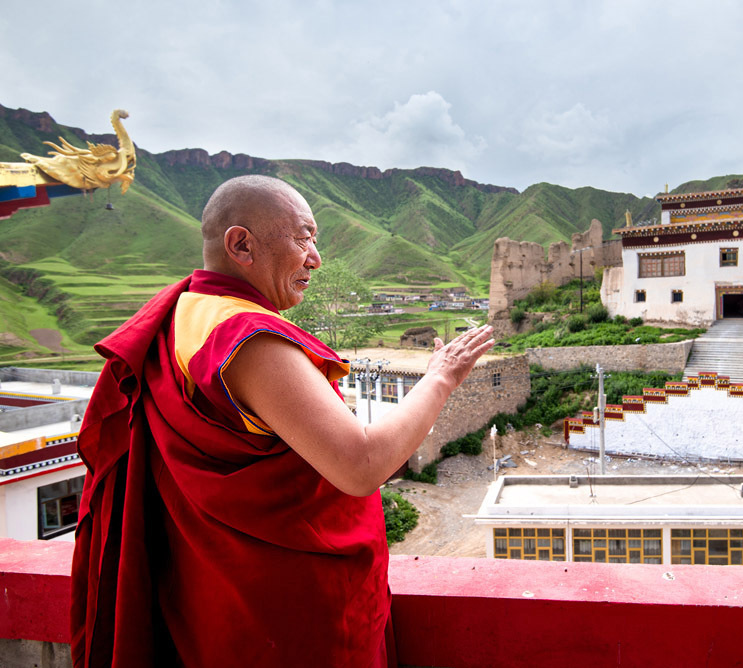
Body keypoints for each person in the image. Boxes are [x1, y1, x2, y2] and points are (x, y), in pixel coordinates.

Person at [70, 175, 494, 667]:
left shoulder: (185, 313)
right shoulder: (247, 339)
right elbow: (360, 464)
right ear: (241, 244)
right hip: (287, 616)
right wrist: (440, 378)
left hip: (215, 592)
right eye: (303, 237)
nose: (315, 256)